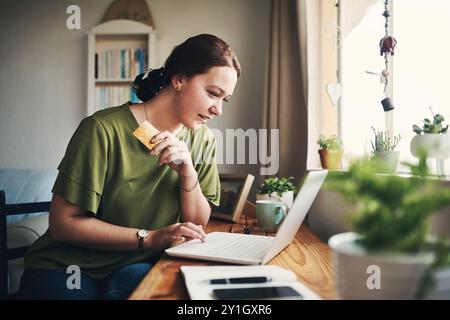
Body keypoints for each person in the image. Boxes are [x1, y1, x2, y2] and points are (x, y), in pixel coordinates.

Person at [19, 34, 241, 299]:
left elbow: (196, 224)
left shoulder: (202, 138)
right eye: (213, 94)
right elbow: (62, 224)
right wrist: (149, 238)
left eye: (224, 100)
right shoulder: (101, 129)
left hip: (137, 264)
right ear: (179, 79)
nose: (218, 110)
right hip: (68, 265)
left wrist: (187, 172)